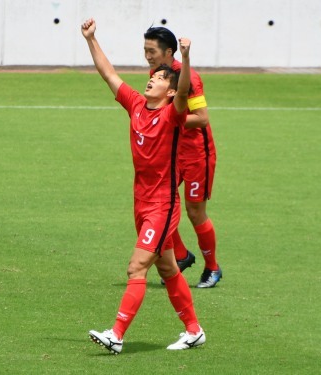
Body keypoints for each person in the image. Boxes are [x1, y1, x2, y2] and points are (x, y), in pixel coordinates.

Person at [81, 18, 205, 354]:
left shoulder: (172, 116)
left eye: (162, 78)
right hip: (141, 203)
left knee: (136, 267)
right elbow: (109, 74)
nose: (153, 79)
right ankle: (193, 330)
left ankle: (117, 334)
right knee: (166, 267)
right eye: (154, 76)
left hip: (162, 207)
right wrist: (92, 39)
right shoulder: (136, 105)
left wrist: (186, 56)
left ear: (170, 91)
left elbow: (184, 96)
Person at [144, 27, 221, 288]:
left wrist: (168, 124)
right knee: (159, 204)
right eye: (145, 51)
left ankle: (213, 268)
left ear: (168, 52)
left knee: (194, 212)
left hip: (198, 155)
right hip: (172, 154)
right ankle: (181, 255)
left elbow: (202, 119)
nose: (147, 56)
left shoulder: (191, 79)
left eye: (151, 51)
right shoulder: (157, 76)